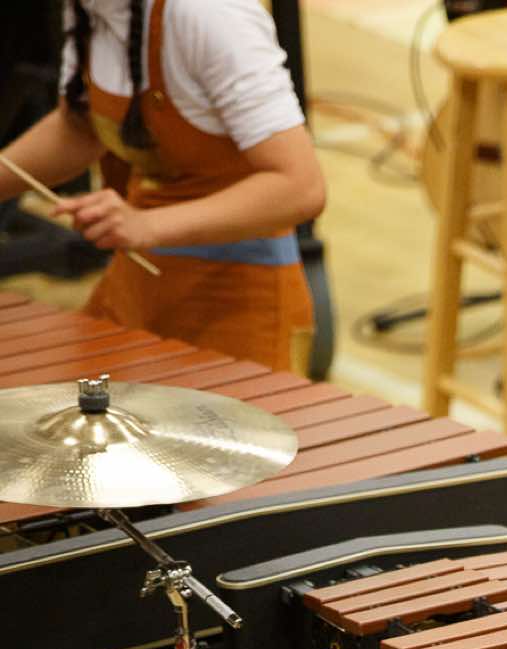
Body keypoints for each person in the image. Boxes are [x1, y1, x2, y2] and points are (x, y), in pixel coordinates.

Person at [0, 0, 325, 374]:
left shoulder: (209, 15)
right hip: (140, 277)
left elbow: (300, 186)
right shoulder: (89, 6)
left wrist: (145, 225)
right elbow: (79, 128)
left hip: (238, 296)